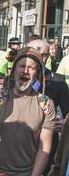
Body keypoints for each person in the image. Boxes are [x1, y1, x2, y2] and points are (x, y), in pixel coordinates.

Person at [0, 47, 55, 176]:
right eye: (22, 66)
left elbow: (44, 149)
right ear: (14, 70)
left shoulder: (45, 103)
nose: (25, 71)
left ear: (37, 73)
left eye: (31, 67)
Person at [27, 39, 69, 174]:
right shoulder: (14, 81)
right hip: (20, 144)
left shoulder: (58, 81)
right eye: (35, 53)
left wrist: (63, 123)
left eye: (44, 54)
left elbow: (67, 113)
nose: (39, 58)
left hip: (47, 145)